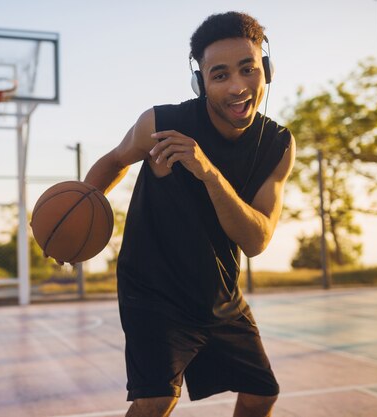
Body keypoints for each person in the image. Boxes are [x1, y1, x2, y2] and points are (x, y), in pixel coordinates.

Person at [82, 11, 295, 417]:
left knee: (261, 393)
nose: (237, 87)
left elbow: (256, 241)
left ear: (265, 69)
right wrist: (83, 218)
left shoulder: (277, 144)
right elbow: (114, 161)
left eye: (248, 69)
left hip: (219, 292)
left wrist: (208, 172)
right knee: (156, 400)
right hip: (152, 289)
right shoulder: (163, 123)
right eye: (219, 75)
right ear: (201, 81)